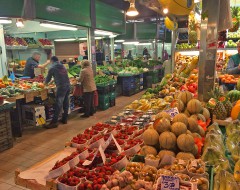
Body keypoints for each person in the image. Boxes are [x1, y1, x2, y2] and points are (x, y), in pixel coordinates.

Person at [44, 56, 70, 129]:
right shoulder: (62, 66)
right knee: (66, 102)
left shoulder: (52, 67)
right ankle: (64, 119)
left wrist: (44, 84)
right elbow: (61, 75)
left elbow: (48, 78)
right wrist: (54, 80)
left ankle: (54, 122)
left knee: (58, 104)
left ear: (51, 61)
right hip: (68, 85)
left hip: (61, 87)